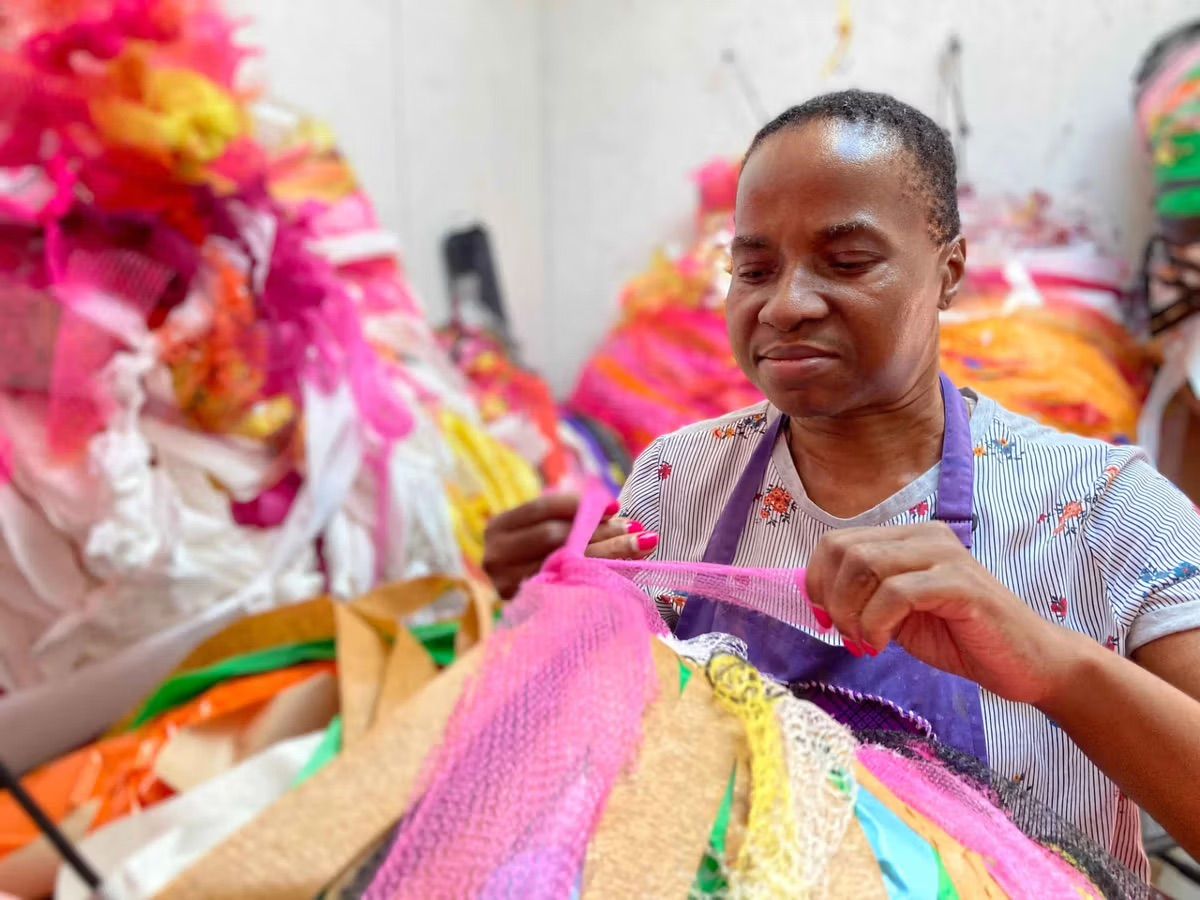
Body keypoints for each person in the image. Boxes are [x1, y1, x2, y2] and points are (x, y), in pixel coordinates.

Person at [483, 91, 1200, 872]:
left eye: (847, 262)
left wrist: (1056, 666)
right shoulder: (677, 483)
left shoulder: (1100, 512)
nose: (785, 305)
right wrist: (556, 622)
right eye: (753, 268)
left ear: (949, 271)